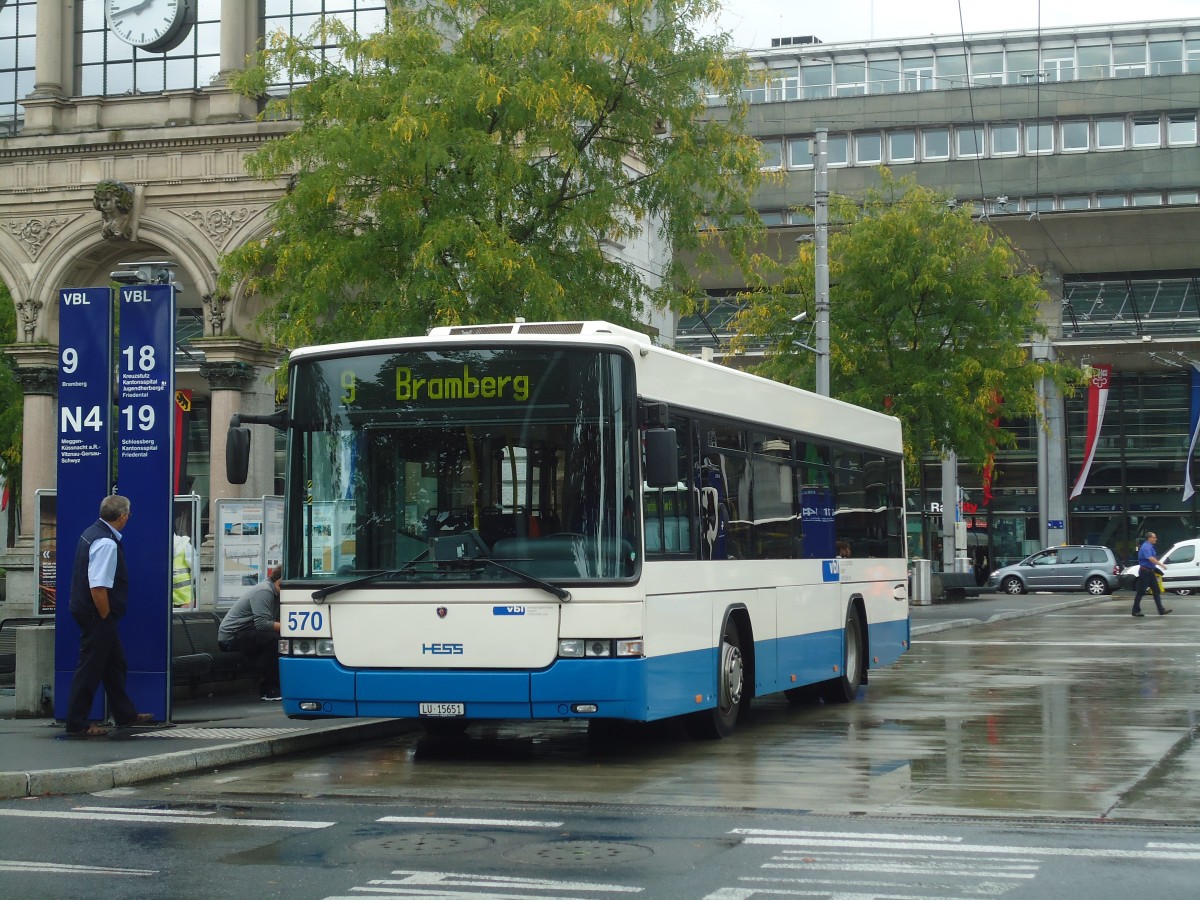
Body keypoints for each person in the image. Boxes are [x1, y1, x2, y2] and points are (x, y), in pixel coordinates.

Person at [64, 494, 154, 737]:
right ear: (122, 517)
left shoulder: (90, 532)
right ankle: (77, 723)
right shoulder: (106, 543)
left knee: (115, 664)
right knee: (90, 668)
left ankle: (125, 714)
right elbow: (98, 586)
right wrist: (106, 616)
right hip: (97, 615)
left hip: (86, 610)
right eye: (129, 514)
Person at [218, 567, 282, 700]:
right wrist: (291, 627)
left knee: (282, 640)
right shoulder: (264, 591)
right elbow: (262, 624)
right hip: (231, 637)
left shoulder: (277, 595)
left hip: (249, 634)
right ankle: (269, 690)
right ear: (279, 581)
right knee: (274, 641)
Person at [1131, 532, 1171, 618]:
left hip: (1150, 572)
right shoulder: (1146, 547)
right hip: (1145, 572)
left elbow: (1151, 561)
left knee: (1156, 591)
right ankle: (1135, 611)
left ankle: (1161, 610)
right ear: (1149, 538)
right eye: (1154, 537)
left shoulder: (1150, 547)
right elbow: (1150, 558)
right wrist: (1161, 565)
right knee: (1141, 592)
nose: (1156, 539)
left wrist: (1156, 569)